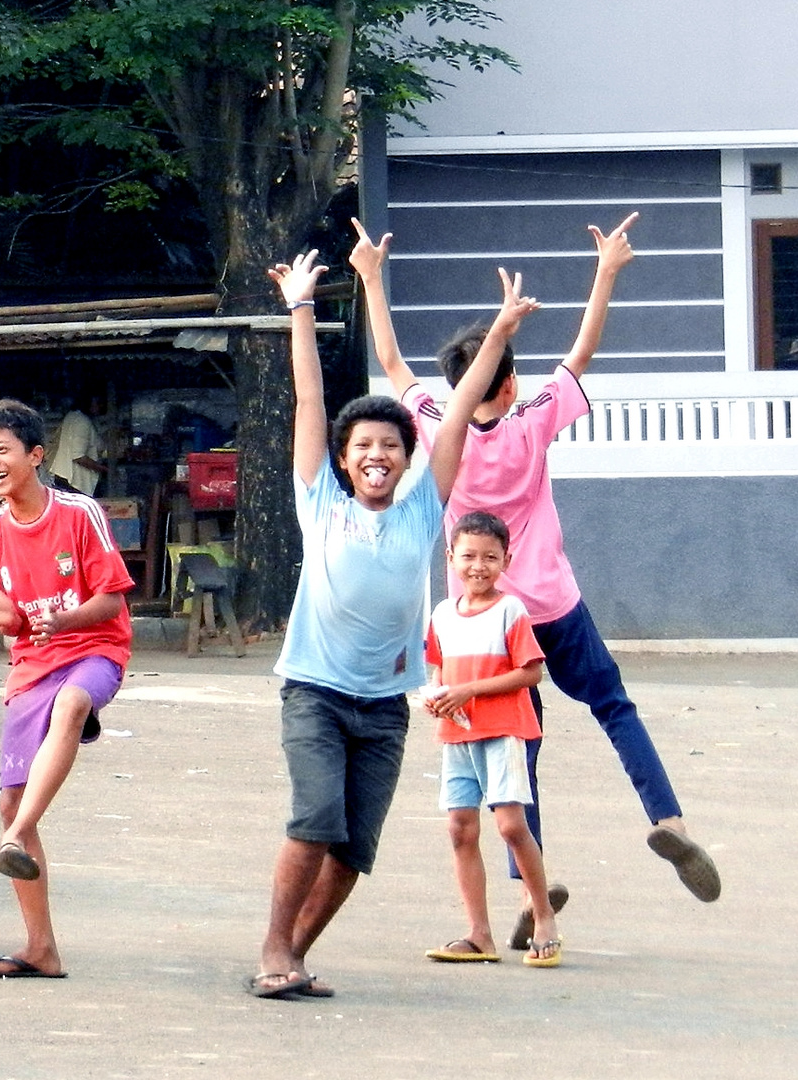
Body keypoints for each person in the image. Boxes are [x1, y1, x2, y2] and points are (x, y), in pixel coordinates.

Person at [352, 213, 721, 911]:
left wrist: (370, 276)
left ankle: (530, 883)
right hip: (550, 601)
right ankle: (665, 818)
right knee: (612, 705)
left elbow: (393, 362)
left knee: (520, 747)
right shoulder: (533, 417)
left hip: (484, 616)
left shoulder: (435, 421)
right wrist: (605, 272)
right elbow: (580, 354)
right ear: (510, 385)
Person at [250, 251, 537, 1001]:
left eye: (389, 445)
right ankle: (273, 948)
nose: (376, 454)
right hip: (313, 690)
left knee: (350, 851)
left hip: (382, 707)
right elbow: (310, 402)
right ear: (343, 464)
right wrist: (300, 308)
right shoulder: (320, 503)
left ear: (407, 458)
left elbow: (461, 416)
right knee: (314, 819)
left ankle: (296, 955)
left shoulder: (421, 509)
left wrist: (501, 331)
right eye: (362, 447)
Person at [0, 398, 135, 979]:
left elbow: (111, 599)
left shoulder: (80, 514)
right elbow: (14, 623)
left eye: (1, 450)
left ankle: (11, 838)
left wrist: (61, 621)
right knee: (12, 796)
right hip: (33, 663)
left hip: (94, 650)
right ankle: (41, 949)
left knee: (73, 702)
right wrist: (2, 618)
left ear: (36, 455)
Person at [422, 511, 560, 968]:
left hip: (502, 732)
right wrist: (439, 695)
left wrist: (468, 691)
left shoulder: (510, 611)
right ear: (450, 558)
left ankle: (542, 916)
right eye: (468, 556)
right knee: (460, 829)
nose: (477, 566)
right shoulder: (443, 614)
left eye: (490, 557)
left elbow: (530, 672)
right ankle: (479, 934)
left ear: (507, 560)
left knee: (511, 826)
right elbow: (439, 668)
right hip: (458, 735)